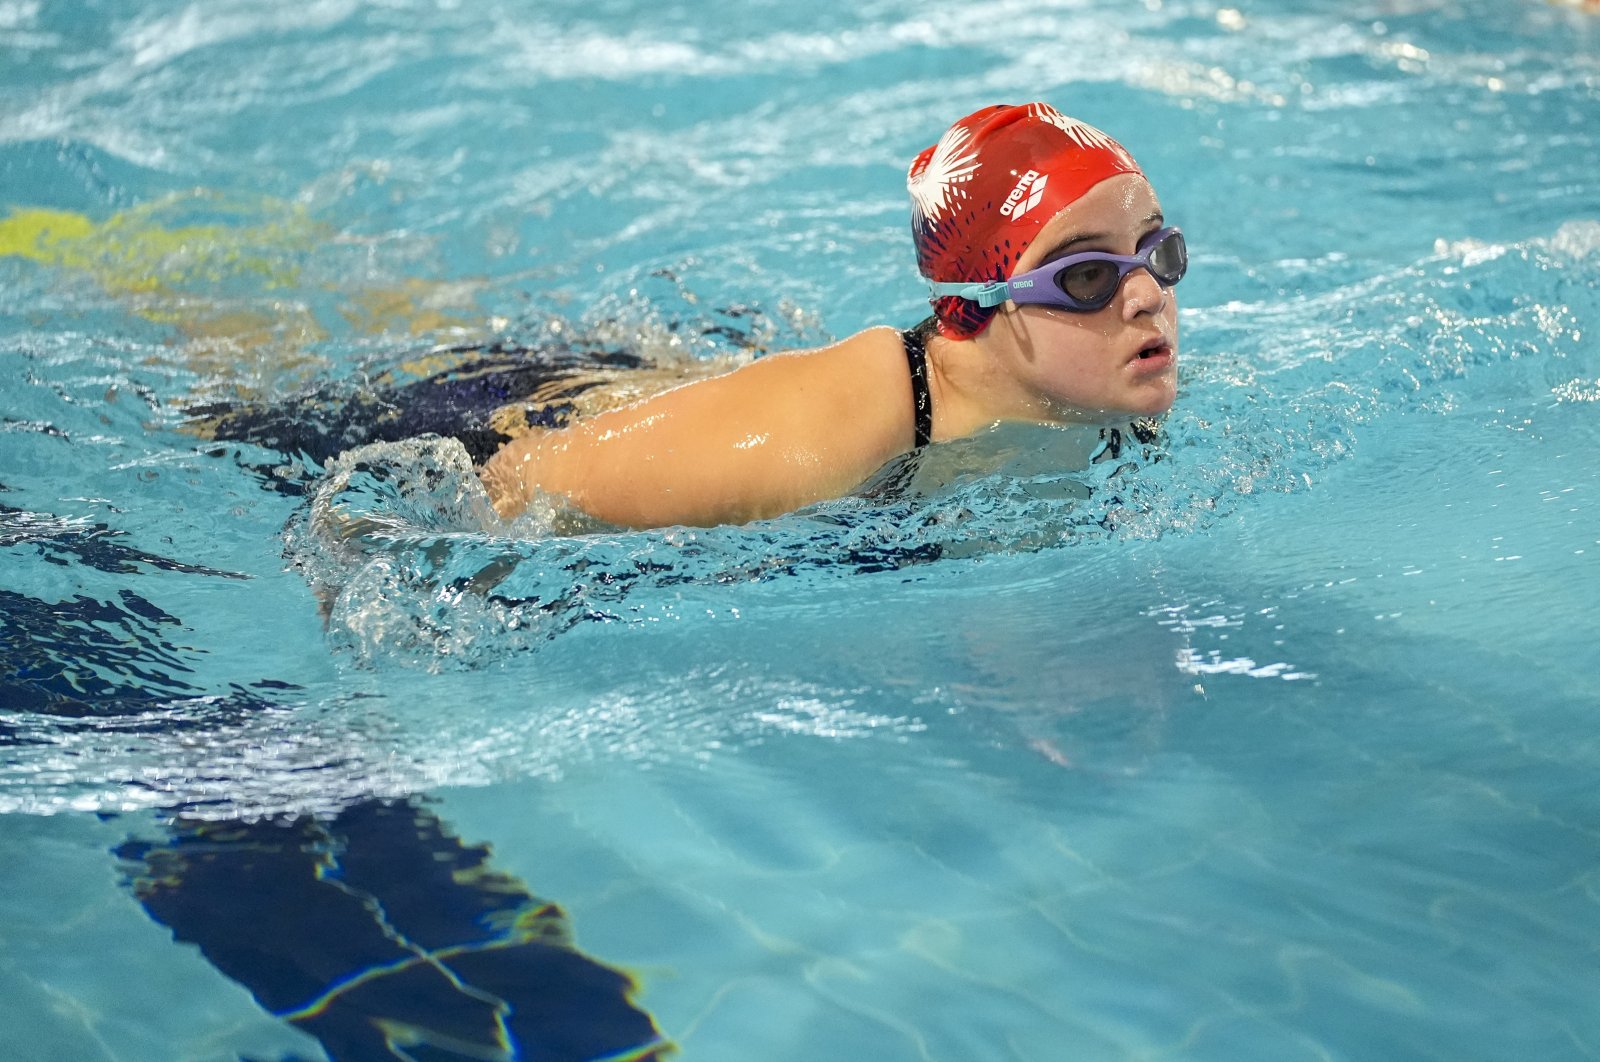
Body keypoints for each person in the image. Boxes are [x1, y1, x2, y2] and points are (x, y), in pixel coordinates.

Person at [479, 101, 1186, 530]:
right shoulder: (825, 434)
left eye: (1157, 252)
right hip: (511, 412)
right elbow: (511, 483)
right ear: (976, 305)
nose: (1148, 295)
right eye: (1087, 276)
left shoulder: (1109, 389)